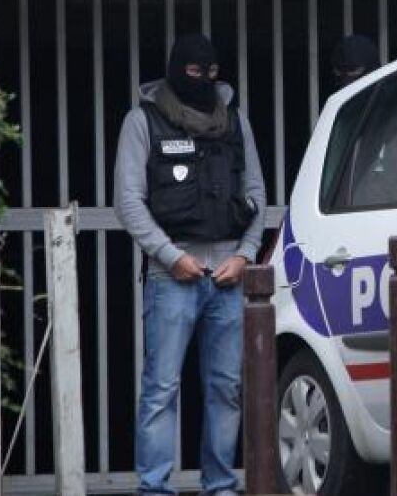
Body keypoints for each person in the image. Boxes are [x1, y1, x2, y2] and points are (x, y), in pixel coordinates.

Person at [113, 33, 266, 496]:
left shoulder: (235, 122)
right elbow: (128, 201)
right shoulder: (142, 121)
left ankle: (220, 486)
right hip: (171, 277)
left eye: (211, 72)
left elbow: (257, 196)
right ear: (176, 70)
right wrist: (171, 256)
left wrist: (244, 256)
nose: (203, 79)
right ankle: (155, 489)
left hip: (229, 278)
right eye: (195, 71)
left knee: (227, 389)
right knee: (161, 389)